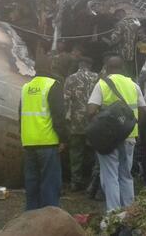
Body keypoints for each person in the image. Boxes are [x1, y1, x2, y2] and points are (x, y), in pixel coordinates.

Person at [87, 56, 146, 212]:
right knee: (126, 175)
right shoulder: (134, 85)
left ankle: (113, 213)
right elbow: (144, 110)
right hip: (129, 136)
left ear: (107, 68)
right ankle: (129, 211)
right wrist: (135, 127)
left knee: (110, 176)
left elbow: (91, 110)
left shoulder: (102, 84)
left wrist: (98, 127)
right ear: (123, 68)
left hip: (108, 139)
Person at [19, 55, 68, 210]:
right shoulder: (53, 85)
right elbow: (58, 116)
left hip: (29, 142)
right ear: (50, 68)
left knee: (31, 182)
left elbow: (20, 115)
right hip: (48, 142)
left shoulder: (25, 87)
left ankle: (31, 215)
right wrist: (63, 139)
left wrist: (23, 137)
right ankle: (48, 215)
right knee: (50, 183)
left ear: (35, 69)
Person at [63, 56, 98, 191]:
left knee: (76, 153)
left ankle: (75, 182)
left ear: (79, 65)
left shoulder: (71, 78)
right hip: (93, 121)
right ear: (90, 65)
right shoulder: (96, 78)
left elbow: (66, 101)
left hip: (76, 122)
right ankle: (92, 182)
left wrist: (66, 120)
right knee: (94, 152)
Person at [107, 9, 141, 78]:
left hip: (120, 53)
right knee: (128, 73)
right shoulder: (135, 24)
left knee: (119, 72)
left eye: (116, 16)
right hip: (131, 54)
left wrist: (108, 41)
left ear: (118, 15)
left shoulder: (120, 24)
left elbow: (114, 39)